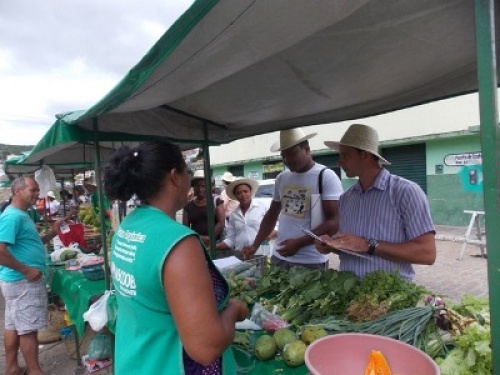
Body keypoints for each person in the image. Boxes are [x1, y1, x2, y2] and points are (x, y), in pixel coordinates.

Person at [103, 141, 248, 375]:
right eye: (187, 172)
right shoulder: (178, 243)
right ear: (175, 176)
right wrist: (233, 310)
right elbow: (206, 348)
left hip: (137, 362)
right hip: (170, 364)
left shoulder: (128, 226)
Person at [315, 124, 436, 280]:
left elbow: (427, 253)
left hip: (389, 296)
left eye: (345, 156)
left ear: (365, 155)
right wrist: (333, 246)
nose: (340, 162)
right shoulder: (346, 198)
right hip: (348, 292)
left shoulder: (406, 192)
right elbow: (353, 246)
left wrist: (369, 245)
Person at [242, 127, 343, 269]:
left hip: (311, 261)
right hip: (279, 257)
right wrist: (255, 245)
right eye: (283, 156)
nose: (287, 160)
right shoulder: (282, 178)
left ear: (307, 149)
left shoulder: (326, 176)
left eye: (291, 154)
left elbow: (334, 222)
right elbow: (271, 215)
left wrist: (298, 243)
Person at [0, 177, 62, 375]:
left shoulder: (22, 214)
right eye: (33, 190)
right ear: (17, 191)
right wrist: (26, 270)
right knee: (28, 328)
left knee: (14, 324)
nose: (37, 194)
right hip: (23, 281)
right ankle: (35, 371)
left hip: (15, 281)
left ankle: (11, 367)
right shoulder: (13, 217)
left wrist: (51, 234)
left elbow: (26, 244)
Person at [216, 177, 272, 258]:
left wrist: (271, 234)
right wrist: (214, 247)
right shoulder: (234, 214)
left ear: (250, 192)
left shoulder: (262, 207)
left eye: (245, 191)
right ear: (235, 196)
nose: (243, 195)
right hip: (242, 254)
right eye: (239, 193)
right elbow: (230, 239)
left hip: (261, 252)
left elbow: (276, 224)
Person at [183, 170, 225, 249]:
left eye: (203, 186)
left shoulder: (216, 201)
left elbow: (221, 223)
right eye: (197, 186)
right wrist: (200, 238)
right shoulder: (188, 206)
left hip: (215, 245)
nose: (200, 189)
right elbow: (185, 228)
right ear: (193, 187)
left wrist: (209, 238)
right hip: (196, 244)